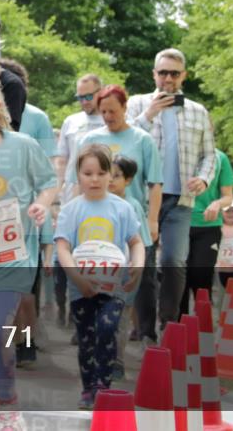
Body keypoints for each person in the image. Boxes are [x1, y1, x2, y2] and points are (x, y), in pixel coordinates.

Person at [0, 100, 56, 429]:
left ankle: (8, 403)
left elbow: (48, 183)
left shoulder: (23, 146)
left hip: (13, 258)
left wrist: (41, 205)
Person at [125, 49, 215, 330]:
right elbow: (123, 141)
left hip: (180, 200)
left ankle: (169, 323)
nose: (168, 78)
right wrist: (148, 115)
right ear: (154, 74)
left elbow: (209, 155)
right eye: (162, 72)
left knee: (174, 261)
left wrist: (203, 179)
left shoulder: (198, 111)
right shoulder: (137, 104)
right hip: (142, 199)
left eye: (174, 73)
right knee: (144, 263)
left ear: (183, 76)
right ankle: (145, 329)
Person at [69, 85, 162, 345]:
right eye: (103, 112)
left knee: (140, 278)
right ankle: (88, 326)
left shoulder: (142, 140)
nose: (108, 116)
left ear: (125, 107)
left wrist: (153, 220)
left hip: (132, 217)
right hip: (95, 219)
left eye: (113, 111)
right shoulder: (90, 140)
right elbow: (77, 181)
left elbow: (155, 183)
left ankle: (145, 331)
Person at [55, 144, 143, 410]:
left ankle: (103, 388)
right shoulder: (71, 210)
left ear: (110, 175)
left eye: (102, 173)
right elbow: (62, 247)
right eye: (88, 173)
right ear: (78, 175)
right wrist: (77, 278)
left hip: (114, 286)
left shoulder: (123, 208)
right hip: (80, 288)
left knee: (107, 329)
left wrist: (138, 266)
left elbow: (136, 242)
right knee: (86, 339)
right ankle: (87, 390)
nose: (94, 179)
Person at [0, 57, 55, 368]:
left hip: (26, 211)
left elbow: (48, 170)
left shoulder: (38, 119)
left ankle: (27, 343)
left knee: (26, 289)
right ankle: (2, 345)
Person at [53, 73, 104, 326]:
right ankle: (61, 304)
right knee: (61, 256)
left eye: (88, 96)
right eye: (79, 97)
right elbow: (62, 159)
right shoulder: (71, 122)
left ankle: (82, 314)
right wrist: (57, 191)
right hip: (71, 197)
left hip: (98, 197)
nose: (84, 101)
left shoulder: (109, 120)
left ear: (100, 92)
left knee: (89, 256)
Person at [108, 154, 150, 379]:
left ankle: (117, 361)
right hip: (100, 271)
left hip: (125, 272)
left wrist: (136, 267)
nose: (110, 180)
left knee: (121, 316)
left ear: (128, 180)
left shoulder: (133, 206)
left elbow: (141, 242)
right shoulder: (96, 204)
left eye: (117, 176)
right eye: (108, 174)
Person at [181, 147, 233, 313]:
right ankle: (178, 322)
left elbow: (228, 196)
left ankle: (202, 321)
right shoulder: (177, 153)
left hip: (208, 227)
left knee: (201, 276)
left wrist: (217, 203)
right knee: (179, 279)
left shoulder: (220, 157)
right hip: (178, 224)